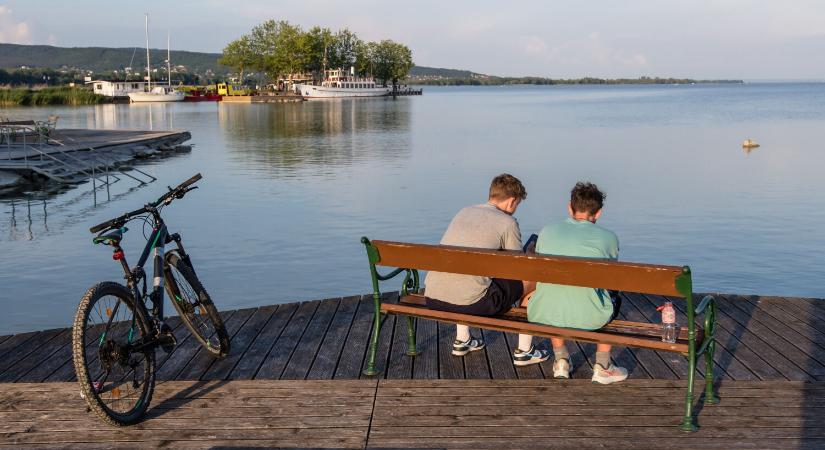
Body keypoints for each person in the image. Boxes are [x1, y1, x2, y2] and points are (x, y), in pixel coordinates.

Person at [424, 174, 549, 366]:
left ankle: (463, 339)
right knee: (532, 279)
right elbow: (518, 268)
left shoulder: (464, 211)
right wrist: (531, 253)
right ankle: (525, 351)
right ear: (511, 201)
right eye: (517, 205)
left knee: (467, 274)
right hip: (472, 303)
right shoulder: (508, 222)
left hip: (433, 296)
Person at [525, 181, 628, 384]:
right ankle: (603, 366)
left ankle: (561, 360)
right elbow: (609, 278)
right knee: (613, 296)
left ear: (570, 208)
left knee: (554, 289)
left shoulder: (547, 231)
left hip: (544, 311)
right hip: (591, 317)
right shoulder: (608, 237)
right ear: (598, 213)